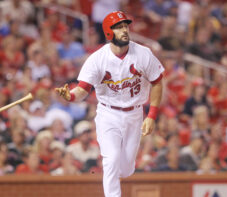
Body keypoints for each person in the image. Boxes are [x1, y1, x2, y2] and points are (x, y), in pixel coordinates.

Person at [55, 11, 164, 197]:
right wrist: (70, 96)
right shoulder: (97, 59)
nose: (124, 30)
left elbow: (157, 82)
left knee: (126, 169)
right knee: (111, 160)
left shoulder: (143, 53)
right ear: (108, 32)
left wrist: (151, 116)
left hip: (135, 113)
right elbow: (82, 89)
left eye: (125, 26)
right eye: (119, 27)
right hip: (108, 114)